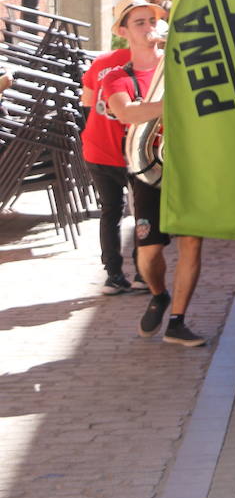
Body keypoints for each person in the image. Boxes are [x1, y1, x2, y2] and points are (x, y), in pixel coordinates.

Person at [102, 0, 206, 347]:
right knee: (149, 253)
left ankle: (177, 321)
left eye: (152, 20)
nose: (148, 28)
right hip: (146, 170)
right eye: (139, 23)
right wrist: (173, 103)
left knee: (192, 243)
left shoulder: (180, 65)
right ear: (123, 32)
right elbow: (127, 113)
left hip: (188, 166)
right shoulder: (117, 75)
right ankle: (159, 294)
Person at [82, 19, 140, 294]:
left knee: (110, 211)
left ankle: (113, 275)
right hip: (131, 150)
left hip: (98, 145)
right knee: (143, 212)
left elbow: (86, 105)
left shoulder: (100, 63)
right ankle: (143, 271)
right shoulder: (150, 63)